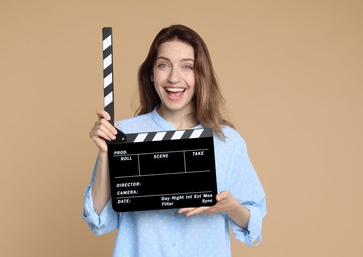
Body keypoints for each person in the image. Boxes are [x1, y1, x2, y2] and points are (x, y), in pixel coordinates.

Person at [83, 24, 266, 256]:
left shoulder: (228, 142)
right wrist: (104, 153)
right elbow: (97, 218)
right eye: (163, 65)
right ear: (151, 73)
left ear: (200, 75)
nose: (174, 77)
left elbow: (253, 222)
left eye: (187, 66)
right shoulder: (123, 134)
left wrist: (231, 208)